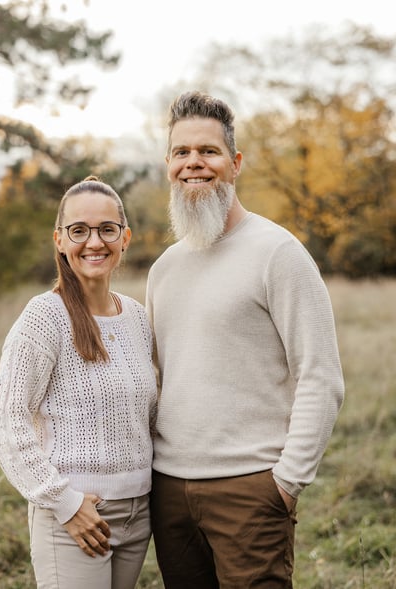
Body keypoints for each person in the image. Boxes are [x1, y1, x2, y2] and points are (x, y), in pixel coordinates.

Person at [145, 90, 345, 588]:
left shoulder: (277, 253)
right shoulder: (164, 269)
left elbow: (320, 375)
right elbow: (154, 378)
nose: (195, 163)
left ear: (234, 164)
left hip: (251, 491)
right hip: (168, 491)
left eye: (208, 152)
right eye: (182, 153)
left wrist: (285, 483)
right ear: (168, 164)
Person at [0, 177, 156, 588]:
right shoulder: (45, 316)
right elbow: (3, 420)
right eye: (79, 230)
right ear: (60, 240)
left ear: (125, 237)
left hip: (139, 514)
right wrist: (64, 503)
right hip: (75, 515)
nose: (94, 242)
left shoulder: (136, 317)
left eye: (106, 229)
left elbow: (147, 417)